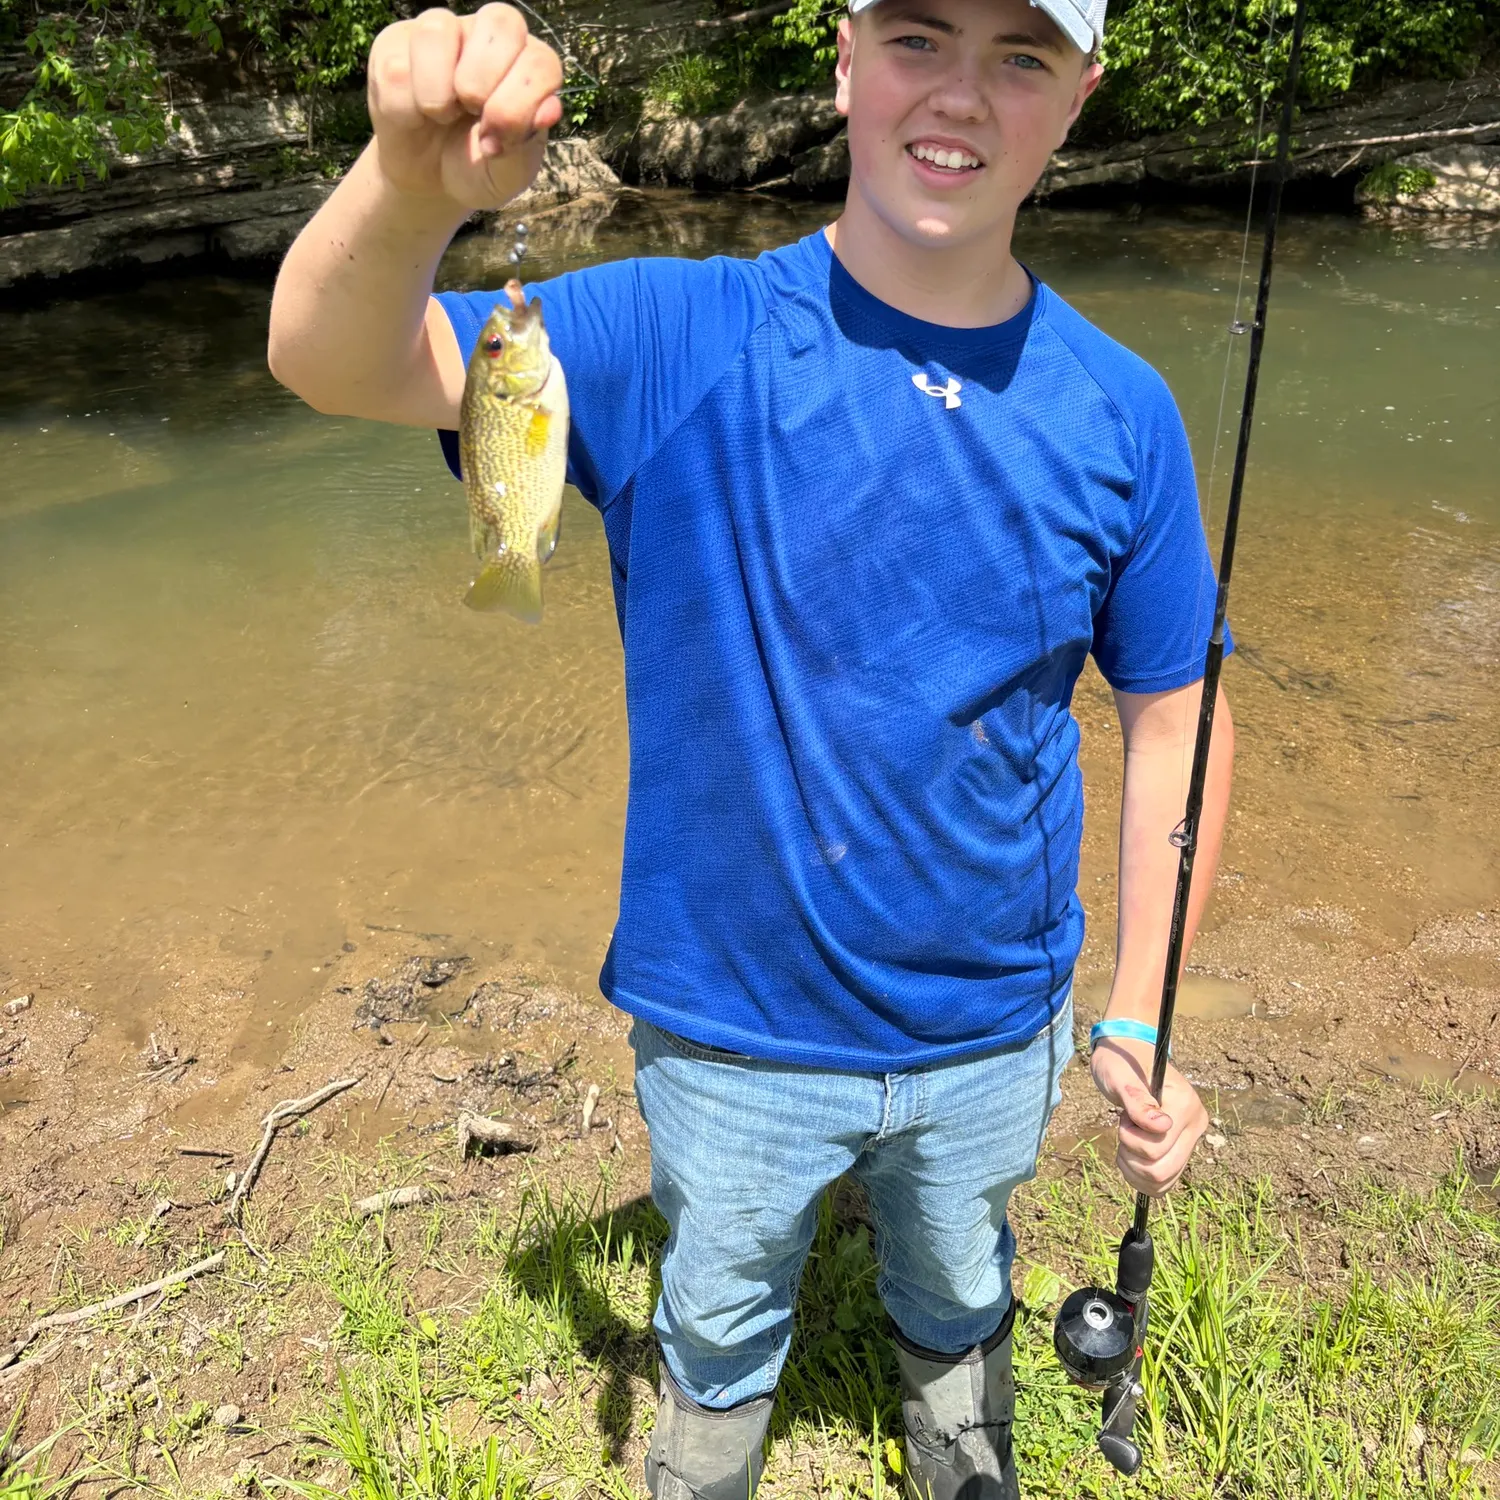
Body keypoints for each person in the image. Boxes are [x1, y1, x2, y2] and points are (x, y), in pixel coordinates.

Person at [267, 0, 1233, 1492]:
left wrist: (1139, 1013)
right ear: (844, 58)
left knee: (961, 1274)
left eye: (1022, 56)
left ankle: (957, 1424)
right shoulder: (673, 334)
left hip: (999, 1022)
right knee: (718, 1307)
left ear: (1079, 98)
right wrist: (406, 186)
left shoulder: (1124, 410)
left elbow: (1178, 719)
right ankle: (706, 1447)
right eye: (919, 38)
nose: (961, 95)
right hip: (728, 1033)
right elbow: (334, 360)